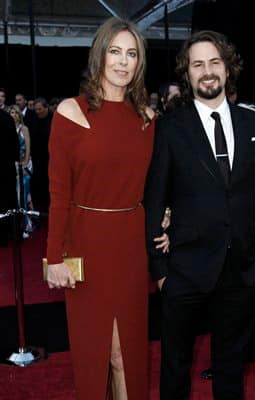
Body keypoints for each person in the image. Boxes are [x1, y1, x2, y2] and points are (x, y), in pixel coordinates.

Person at [145, 30, 255, 400]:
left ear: (228, 68)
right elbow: (156, 199)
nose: (207, 71)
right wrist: (160, 270)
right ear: (186, 73)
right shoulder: (169, 129)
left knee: (231, 369)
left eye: (214, 62)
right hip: (184, 269)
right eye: (197, 64)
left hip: (241, 270)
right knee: (175, 367)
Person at [46, 17, 168, 400]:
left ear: (139, 63)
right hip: (85, 245)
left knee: (127, 352)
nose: (123, 62)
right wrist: (53, 258)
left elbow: (156, 186)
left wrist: (167, 213)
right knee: (95, 351)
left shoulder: (148, 119)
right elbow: (58, 195)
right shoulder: (70, 112)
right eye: (115, 51)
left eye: (132, 54)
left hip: (130, 247)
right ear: (100, 55)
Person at [9, 105, 33, 238]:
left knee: (23, 195)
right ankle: (20, 224)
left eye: (15, 113)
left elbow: (28, 148)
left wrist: (24, 164)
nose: (13, 115)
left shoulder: (24, 129)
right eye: (11, 112)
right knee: (17, 197)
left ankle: (27, 225)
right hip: (13, 166)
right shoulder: (8, 129)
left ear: (19, 115)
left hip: (25, 166)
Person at [0, 109, 19, 246]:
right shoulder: (7, 118)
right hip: (7, 168)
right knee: (9, 202)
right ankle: (12, 233)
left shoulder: (7, 118)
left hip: (5, 167)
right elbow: (15, 145)